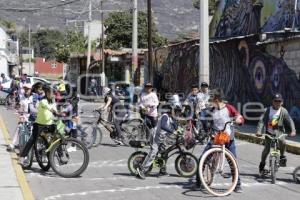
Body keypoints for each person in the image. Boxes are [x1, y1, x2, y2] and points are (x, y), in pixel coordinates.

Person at [193, 88, 244, 193]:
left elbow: (239, 116)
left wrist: (239, 119)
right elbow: (204, 119)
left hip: (228, 138)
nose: (209, 101)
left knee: (233, 161)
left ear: (216, 99)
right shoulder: (211, 110)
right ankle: (198, 181)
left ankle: (237, 184)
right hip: (215, 138)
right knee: (203, 158)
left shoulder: (229, 108)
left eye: (211, 99)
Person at [256, 93, 296, 176]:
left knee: (283, 142)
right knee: (266, 149)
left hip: (279, 133)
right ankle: (262, 164)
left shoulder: (283, 111)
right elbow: (261, 121)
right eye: (275, 101)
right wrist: (259, 131)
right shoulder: (267, 110)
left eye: (279, 101)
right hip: (269, 133)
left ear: (282, 102)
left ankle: (282, 156)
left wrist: (293, 130)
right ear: (272, 101)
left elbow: (290, 120)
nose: (277, 103)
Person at [136, 104, 179, 179]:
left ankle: (162, 170)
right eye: (173, 110)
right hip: (155, 137)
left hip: (161, 139)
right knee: (153, 152)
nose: (174, 112)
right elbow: (163, 126)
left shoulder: (170, 118)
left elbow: (175, 126)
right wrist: (172, 131)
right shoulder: (165, 116)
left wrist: (177, 127)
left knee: (164, 152)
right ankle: (142, 169)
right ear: (169, 111)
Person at [19, 85, 58, 165]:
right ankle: (23, 156)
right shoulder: (43, 101)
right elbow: (50, 109)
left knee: (57, 136)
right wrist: (55, 112)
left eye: (53, 93)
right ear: (47, 93)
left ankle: (60, 156)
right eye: (51, 93)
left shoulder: (53, 100)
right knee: (32, 139)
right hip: (39, 124)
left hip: (50, 123)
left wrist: (60, 114)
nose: (53, 95)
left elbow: (55, 108)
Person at [6, 84, 33, 152]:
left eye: (28, 89)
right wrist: (21, 116)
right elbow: (20, 109)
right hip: (24, 116)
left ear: (31, 89)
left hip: (33, 117)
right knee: (19, 127)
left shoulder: (34, 97)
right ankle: (12, 145)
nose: (26, 90)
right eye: (25, 89)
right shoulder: (22, 97)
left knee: (32, 132)